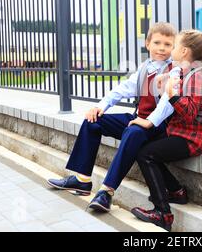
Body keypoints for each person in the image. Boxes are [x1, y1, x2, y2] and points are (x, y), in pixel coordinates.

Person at [48, 22, 185, 213]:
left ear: (174, 47)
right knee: (93, 121)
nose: (162, 48)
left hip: (158, 126)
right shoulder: (144, 68)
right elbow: (122, 90)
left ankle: (106, 192)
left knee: (134, 131)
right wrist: (100, 107)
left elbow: (167, 102)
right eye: (157, 42)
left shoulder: (175, 70)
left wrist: (149, 121)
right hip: (139, 119)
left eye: (168, 44)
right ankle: (82, 180)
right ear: (147, 43)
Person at [131, 30, 202, 231]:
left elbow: (189, 113)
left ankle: (163, 213)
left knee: (146, 154)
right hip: (185, 134)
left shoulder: (197, 76)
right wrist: (165, 85)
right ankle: (176, 192)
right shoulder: (187, 71)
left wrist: (171, 95)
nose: (172, 49)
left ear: (185, 51)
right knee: (146, 148)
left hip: (194, 139)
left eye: (175, 45)